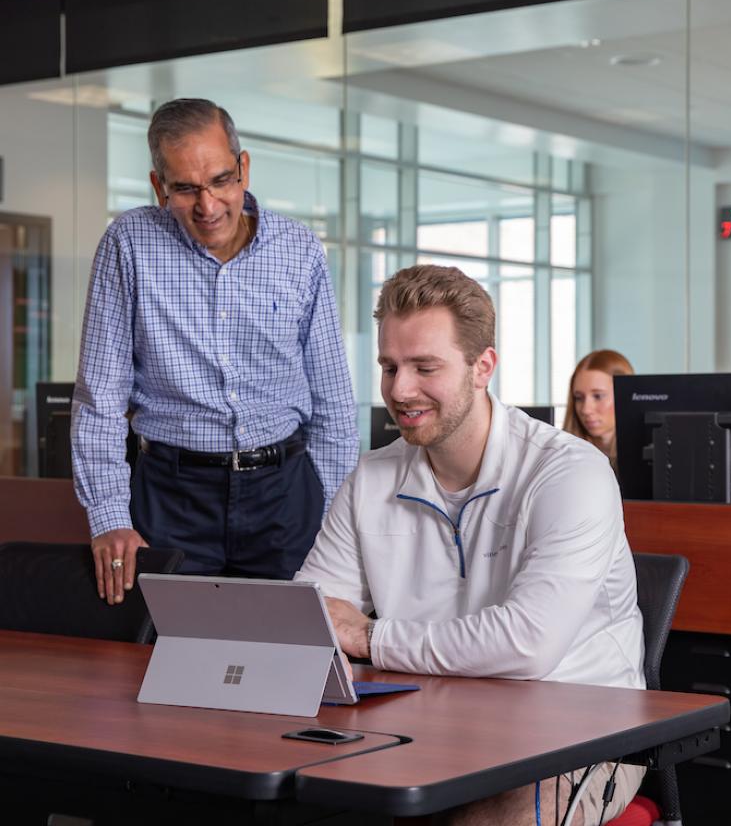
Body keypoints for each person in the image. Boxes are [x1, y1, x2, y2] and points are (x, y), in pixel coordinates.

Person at [296, 265, 645, 826]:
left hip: (584, 735)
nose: (399, 390)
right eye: (389, 367)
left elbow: (527, 644)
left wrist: (369, 637)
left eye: (424, 367)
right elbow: (308, 618)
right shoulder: (372, 477)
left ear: (483, 367)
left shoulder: (570, 472)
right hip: (428, 725)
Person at [72, 98, 358, 605]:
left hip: (284, 497)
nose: (208, 206)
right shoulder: (128, 244)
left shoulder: (299, 249)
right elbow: (100, 398)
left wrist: (338, 521)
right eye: (185, 188)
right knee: (169, 664)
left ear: (244, 168)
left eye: (222, 180)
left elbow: (332, 401)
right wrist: (110, 517)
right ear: (159, 187)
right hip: (171, 497)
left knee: (296, 660)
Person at [563, 349, 635, 473]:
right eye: (579, 398)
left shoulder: (652, 459)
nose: (586, 410)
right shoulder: (563, 457)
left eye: (598, 396)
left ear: (625, 395)